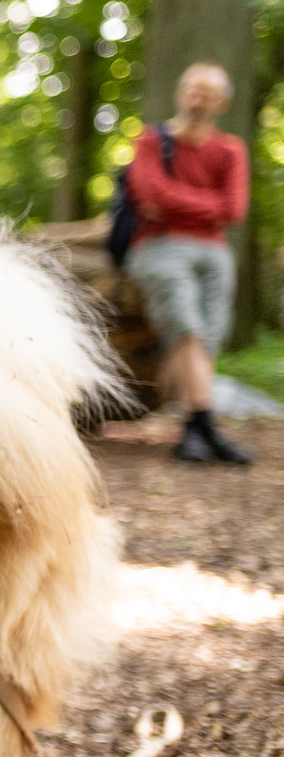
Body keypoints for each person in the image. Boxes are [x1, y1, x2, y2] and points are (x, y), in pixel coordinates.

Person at [124, 62, 254, 464]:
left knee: (209, 336)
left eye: (207, 89)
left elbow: (233, 209)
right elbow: (147, 192)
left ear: (223, 101)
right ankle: (205, 426)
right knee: (186, 328)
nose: (197, 94)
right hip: (159, 247)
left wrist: (172, 202)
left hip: (214, 251)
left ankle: (192, 431)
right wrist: (204, 205)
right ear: (181, 92)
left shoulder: (230, 150)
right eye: (191, 87)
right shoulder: (151, 142)